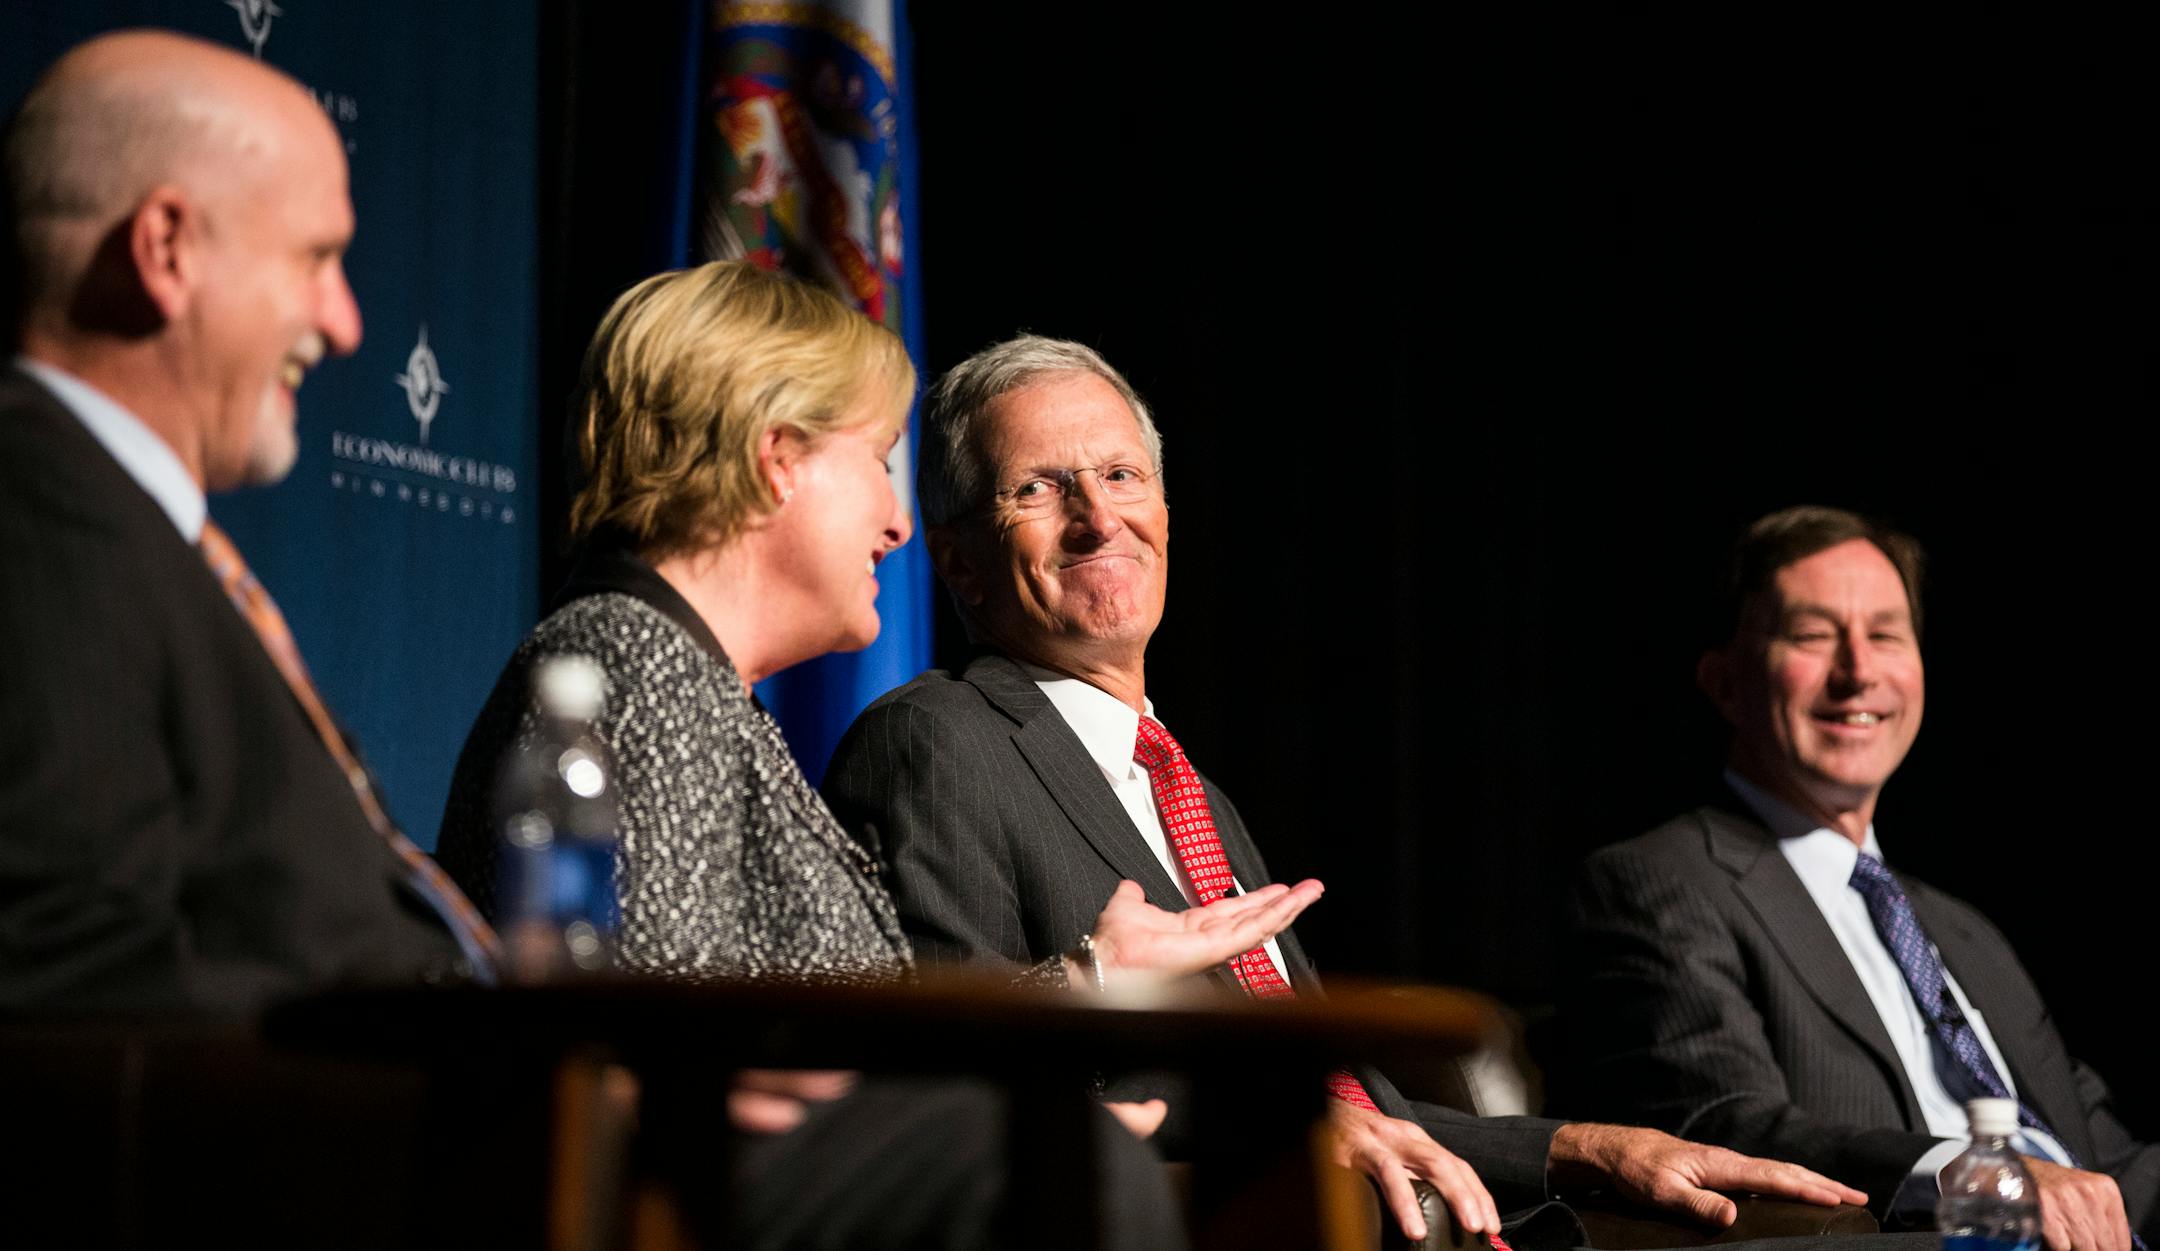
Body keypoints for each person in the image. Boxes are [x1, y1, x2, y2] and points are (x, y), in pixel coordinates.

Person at [820, 335, 1873, 1245]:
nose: (1101, 518)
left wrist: (1592, 1146)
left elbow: (1362, 1110)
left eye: (1123, 476)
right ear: (958, 563)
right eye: (1040, 489)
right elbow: (956, 1075)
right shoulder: (933, 742)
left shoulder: (1191, 792)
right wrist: (1273, 1128)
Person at [434, 262, 1326, 1249]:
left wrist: (1087, 977)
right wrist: (1002, 1121)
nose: (900, 524)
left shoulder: (687, 682)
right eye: (878, 460)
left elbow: (801, 1042)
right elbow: (661, 1050)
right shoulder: (632, 663)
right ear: (779, 460)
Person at [0, 30, 475, 1015]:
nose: (346, 323)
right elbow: (77, 985)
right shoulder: (37, 515)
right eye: (317, 258)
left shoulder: (128, 533)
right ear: (167, 250)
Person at [1561, 506, 2157, 1251]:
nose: (1858, 671)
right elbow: (1722, 1127)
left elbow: (2104, 1153)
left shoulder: (1963, 929)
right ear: (1724, 682)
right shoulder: (1657, 881)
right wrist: (1980, 1175)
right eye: (1813, 635)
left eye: (1884, 634)